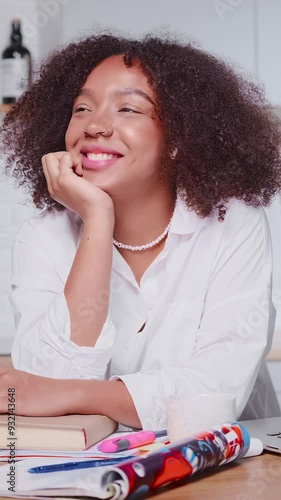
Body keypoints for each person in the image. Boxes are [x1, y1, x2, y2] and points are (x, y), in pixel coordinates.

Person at [0, 31, 281, 430]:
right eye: (81, 108)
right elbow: (48, 385)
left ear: (178, 138)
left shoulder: (232, 222)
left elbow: (215, 391)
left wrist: (73, 395)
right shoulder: (42, 238)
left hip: (224, 472)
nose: (95, 125)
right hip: (91, 472)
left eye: (128, 109)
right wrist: (97, 219)